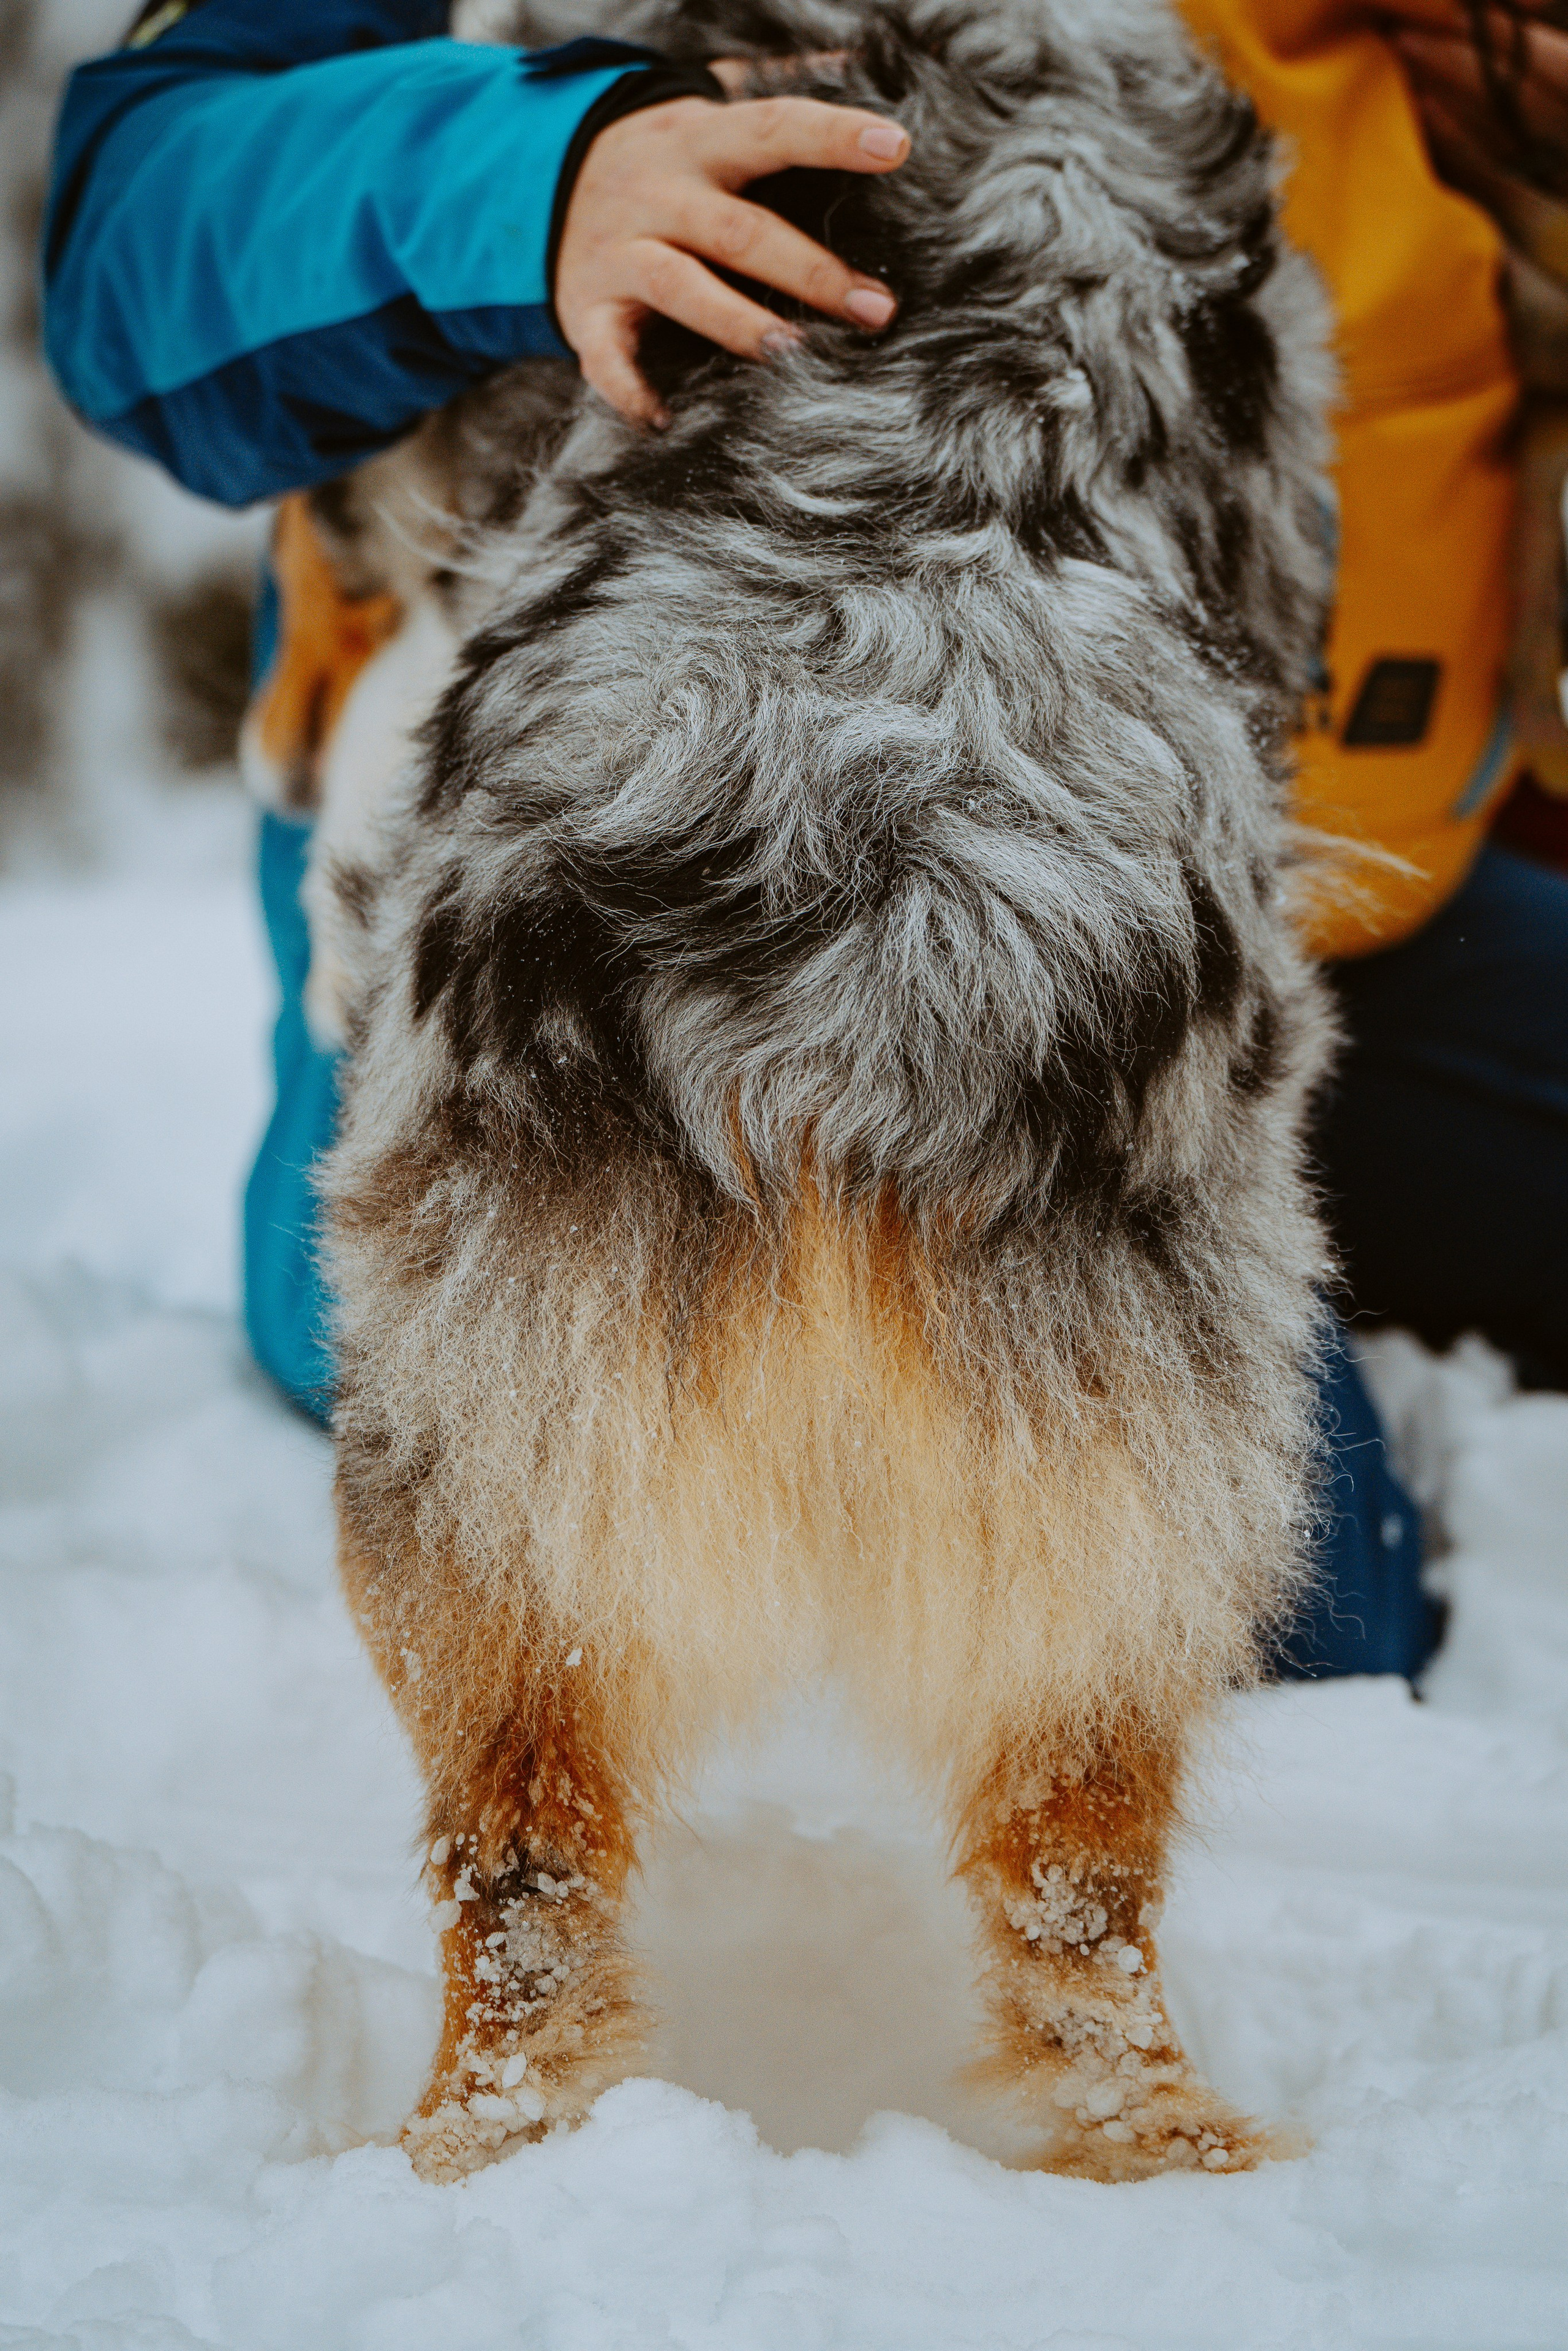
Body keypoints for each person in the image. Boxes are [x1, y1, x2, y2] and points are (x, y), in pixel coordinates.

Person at [41, 0, 1563, 1681]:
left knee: (1225, 1577)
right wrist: (534, 179)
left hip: (1269, 926)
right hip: (644, 906)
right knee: (1253, 1632)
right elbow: (132, 240)